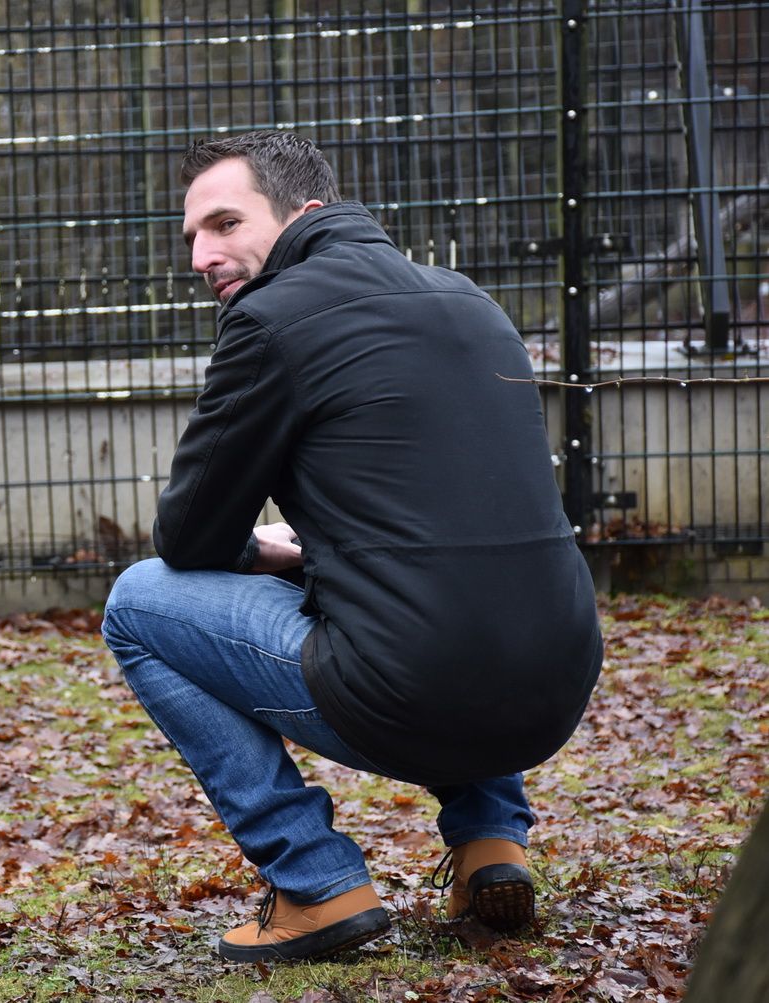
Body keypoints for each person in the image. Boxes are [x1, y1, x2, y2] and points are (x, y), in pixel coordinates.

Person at [100, 131, 603, 964]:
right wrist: (320, 553)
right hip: (557, 686)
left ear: (304, 212)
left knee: (138, 602)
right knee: (438, 581)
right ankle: (491, 843)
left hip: (413, 693)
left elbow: (187, 536)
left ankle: (316, 882)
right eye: (191, 234)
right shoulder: (468, 300)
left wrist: (266, 553)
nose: (201, 254)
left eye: (224, 223)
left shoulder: (268, 321)